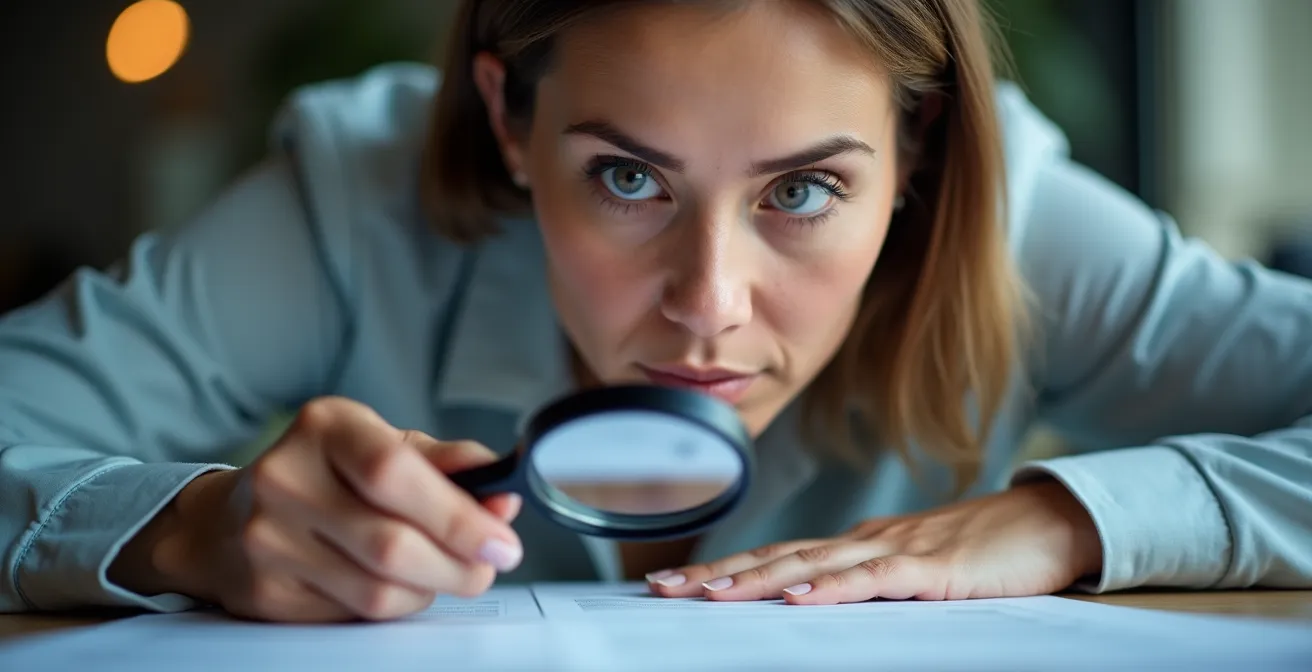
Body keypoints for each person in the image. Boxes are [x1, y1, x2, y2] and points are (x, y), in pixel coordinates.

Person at [2, 0, 1310, 624]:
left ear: (911, 156)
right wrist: (188, 530)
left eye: (802, 190)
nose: (708, 307)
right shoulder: (355, 201)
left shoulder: (1014, 222)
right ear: (510, 118)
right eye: (628, 179)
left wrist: (1062, 518)